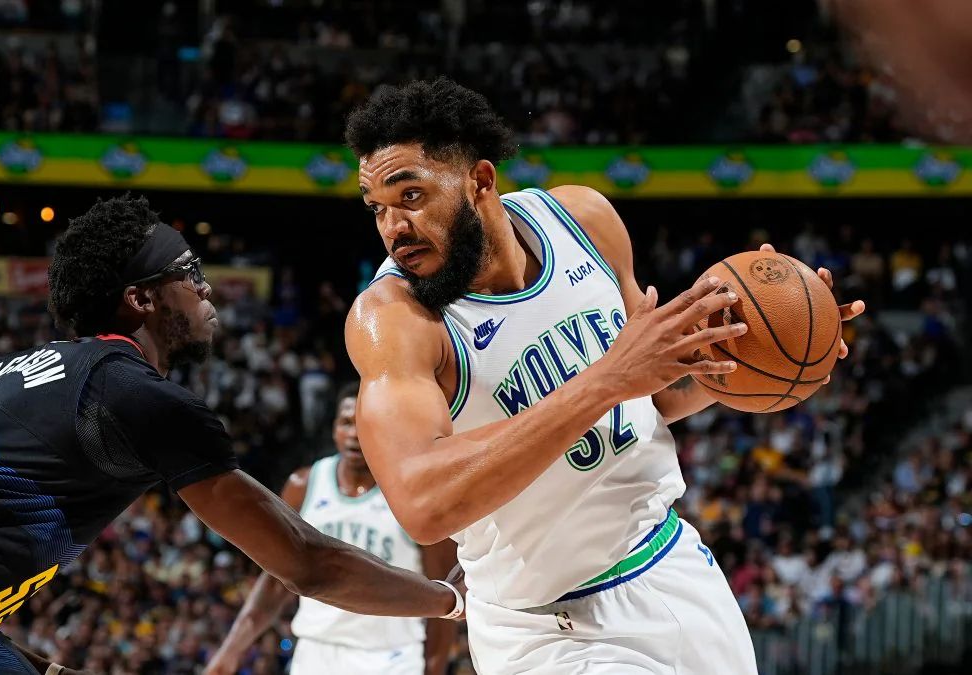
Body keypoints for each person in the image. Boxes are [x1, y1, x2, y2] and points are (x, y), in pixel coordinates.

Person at [0, 194, 464, 675]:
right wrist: (446, 598)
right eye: (190, 275)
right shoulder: (139, 395)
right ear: (142, 299)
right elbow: (307, 561)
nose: (208, 291)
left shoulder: (22, 366)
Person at [342, 78, 865, 675]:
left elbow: (651, 397)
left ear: (480, 181)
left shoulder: (582, 220)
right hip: (547, 628)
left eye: (410, 197)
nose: (392, 228)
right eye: (376, 208)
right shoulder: (393, 319)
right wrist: (608, 379)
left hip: (677, 571)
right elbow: (422, 501)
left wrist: (757, 353)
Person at [206, 382, 458, 675]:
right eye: (346, 423)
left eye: (365, 423)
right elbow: (276, 581)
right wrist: (230, 651)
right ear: (334, 427)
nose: (354, 434)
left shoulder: (413, 492)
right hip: (316, 652)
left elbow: (445, 592)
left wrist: (435, 668)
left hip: (392, 657)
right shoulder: (304, 485)